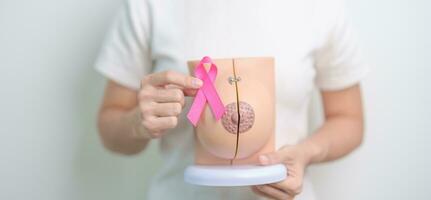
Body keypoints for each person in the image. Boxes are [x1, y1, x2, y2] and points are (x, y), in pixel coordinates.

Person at [95, 0, 368, 199]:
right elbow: (110, 126)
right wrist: (136, 124)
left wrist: (306, 153)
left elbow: (348, 118)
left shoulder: (319, 7)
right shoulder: (150, 6)